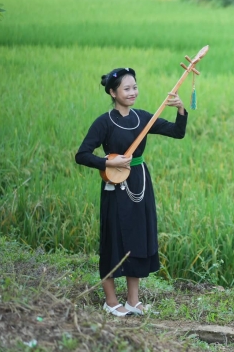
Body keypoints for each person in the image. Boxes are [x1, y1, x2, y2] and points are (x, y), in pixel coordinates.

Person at [75, 67, 187, 317]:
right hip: (115, 185)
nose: (132, 92)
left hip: (140, 182)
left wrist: (180, 109)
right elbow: (82, 155)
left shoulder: (142, 118)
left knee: (137, 238)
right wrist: (108, 163)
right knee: (114, 238)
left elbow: (177, 132)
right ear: (113, 93)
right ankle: (110, 300)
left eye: (134, 87)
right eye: (126, 88)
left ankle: (133, 301)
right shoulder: (104, 122)